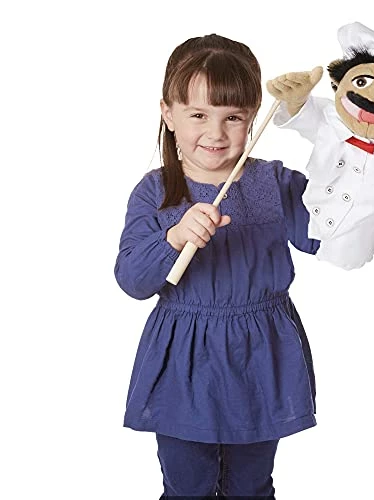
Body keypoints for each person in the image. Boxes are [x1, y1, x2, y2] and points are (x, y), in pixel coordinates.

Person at [114, 34, 320, 498]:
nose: (216, 133)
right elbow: (131, 279)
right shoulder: (155, 192)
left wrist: (356, 159)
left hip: (260, 354)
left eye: (233, 117)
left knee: (251, 485)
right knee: (187, 485)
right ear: (168, 114)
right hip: (184, 359)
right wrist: (173, 238)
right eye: (198, 115)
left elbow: (327, 234)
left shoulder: (273, 182)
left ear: (253, 116)